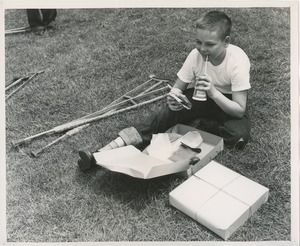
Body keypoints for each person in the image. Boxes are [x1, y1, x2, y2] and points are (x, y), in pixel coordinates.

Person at [78, 11, 251, 170]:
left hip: (226, 100)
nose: (202, 49)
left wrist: (213, 92)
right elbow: (177, 88)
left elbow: (239, 109)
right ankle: (102, 152)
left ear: (226, 42)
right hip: (201, 97)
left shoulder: (237, 61)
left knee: (238, 137)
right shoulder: (195, 55)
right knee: (166, 115)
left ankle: (202, 123)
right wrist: (173, 98)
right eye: (198, 42)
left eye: (210, 44)